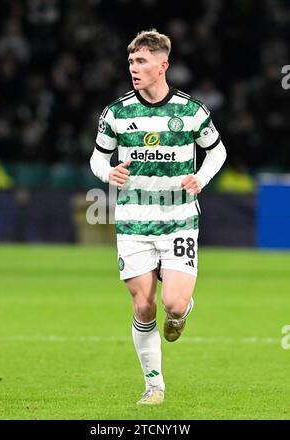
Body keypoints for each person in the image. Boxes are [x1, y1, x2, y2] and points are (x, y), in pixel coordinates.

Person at [90, 29, 226, 405]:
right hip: (133, 221)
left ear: (162, 65)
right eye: (131, 61)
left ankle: (181, 314)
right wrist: (108, 172)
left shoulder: (191, 111)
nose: (133, 68)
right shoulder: (116, 113)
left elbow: (217, 152)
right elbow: (98, 156)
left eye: (141, 61)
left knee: (175, 304)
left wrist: (201, 176)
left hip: (179, 218)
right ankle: (154, 386)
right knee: (143, 306)